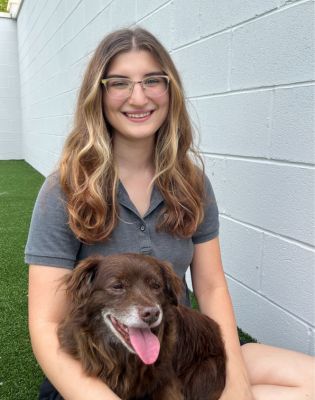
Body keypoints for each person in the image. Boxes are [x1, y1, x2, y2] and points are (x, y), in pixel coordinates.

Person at [25, 27, 314, 400]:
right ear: (99, 94)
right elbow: (46, 323)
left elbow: (210, 286)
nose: (138, 96)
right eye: (119, 83)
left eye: (152, 81)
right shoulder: (65, 190)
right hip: (101, 374)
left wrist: (237, 380)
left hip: (179, 355)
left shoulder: (191, 184)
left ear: (170, 90)